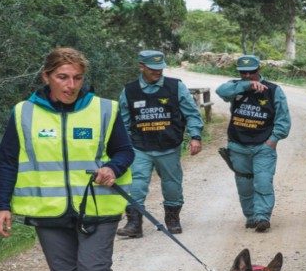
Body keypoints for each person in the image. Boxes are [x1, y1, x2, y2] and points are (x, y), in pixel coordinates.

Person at [0, 47, 134, 271]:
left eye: (77, 78)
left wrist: (113, 167)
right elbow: (7, 161)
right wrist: (1, 205)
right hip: (49, 213)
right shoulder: (23, 113)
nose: (71, 85)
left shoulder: (104, 110)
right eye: (63, 77)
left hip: (98, 209)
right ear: (46, 77)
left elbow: (124, 151)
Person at [116, 50, 204, 238]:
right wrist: (121, 146)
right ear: (141, 66)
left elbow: (192, 113)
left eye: (160, 68)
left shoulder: (176, 87)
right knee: (136, 184)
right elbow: (122, 122)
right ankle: (134, 223)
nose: (158, 72)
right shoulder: (129, 91)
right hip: (140, 146)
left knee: (172, 185)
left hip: (169, 146)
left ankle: (172, 219)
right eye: (153, 69)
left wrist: (195, 136)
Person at [216, 55, 291, 232]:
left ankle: (262, 217)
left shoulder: (274, 90)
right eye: (244, 72)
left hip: (263, 146)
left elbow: (283, 120)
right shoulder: (235, 88)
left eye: (252, 72)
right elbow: (221, 91)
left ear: (259, 69)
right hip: (237, 145)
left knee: (263, 182)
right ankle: (251, 216)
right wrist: (246, 85)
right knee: (244, 185)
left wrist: (273, 140)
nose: (248, 75)